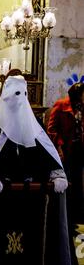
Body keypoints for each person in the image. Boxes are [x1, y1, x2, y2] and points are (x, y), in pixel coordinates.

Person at [0, 75, 75, 265]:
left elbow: (46, 152)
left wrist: (56, 174)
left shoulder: (32, 123)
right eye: (16, 94)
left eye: (24, 94)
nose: (21, 99)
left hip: (30, 197)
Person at [47, 82, 84, 222]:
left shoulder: (81, 107)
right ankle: (65, 213)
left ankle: (77, 214)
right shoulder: (61, 105)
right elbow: (52, 129)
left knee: (78, 179)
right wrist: (59, 146)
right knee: (66, 178)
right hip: (66, 147)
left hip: (79, 147)